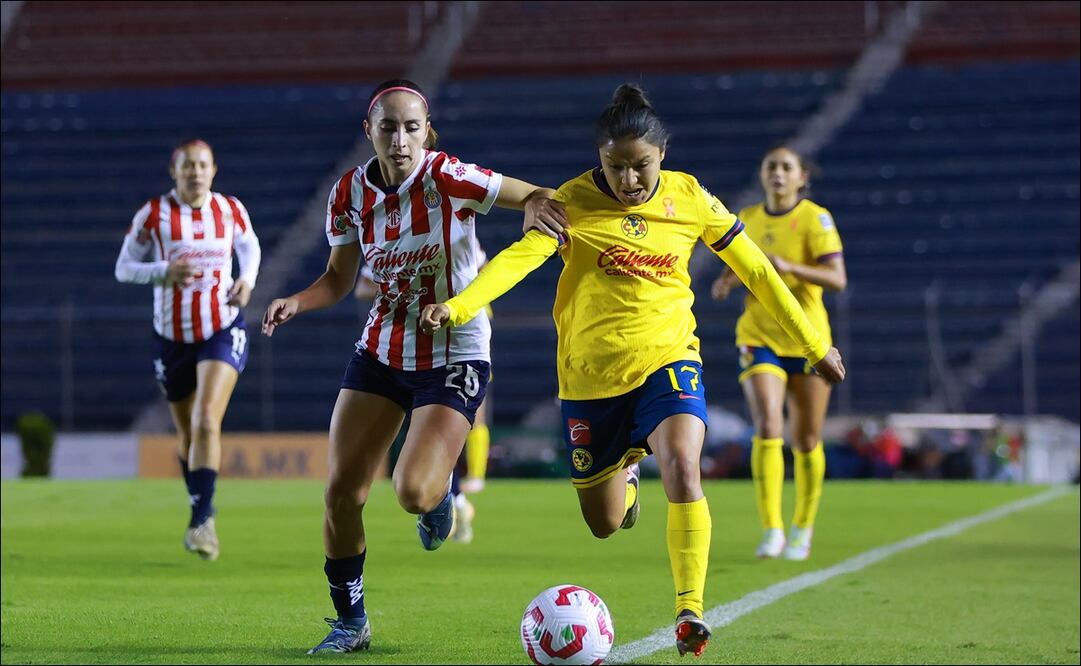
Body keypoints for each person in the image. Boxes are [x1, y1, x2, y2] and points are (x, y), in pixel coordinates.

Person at [421, 84, 846, 658]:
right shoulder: (570, 202)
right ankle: (625, 472)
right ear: (599, 158)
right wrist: (458, 307)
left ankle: (690, 609)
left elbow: (758, 272)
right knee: (603, 523)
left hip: (669, 360)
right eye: (615, 166)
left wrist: (814, 344)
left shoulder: (690, 197)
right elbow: (516, 262)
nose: (628, 180)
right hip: (589, 380)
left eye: (640, 165)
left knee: (684, 467)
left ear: (661, 154)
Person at [260, 79, 566, 655]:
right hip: (382, 350)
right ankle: (350, 623)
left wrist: (535, 210)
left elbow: (536, 195)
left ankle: (440, 491)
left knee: (413, 494)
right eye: (388, 128)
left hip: (455, 349)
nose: (400, 140)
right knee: (341, 492)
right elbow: (338, 279)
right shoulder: (348, 193)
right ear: (369, 132)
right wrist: (297, 301)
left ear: (428, 132)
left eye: (410, 128)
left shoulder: (448, 176)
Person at [114, 139, 261, 562]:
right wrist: (162, 271)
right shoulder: (153, 214)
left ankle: (202, 521)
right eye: (188, 166)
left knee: (206, 419)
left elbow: (249, 247)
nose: (195, 172)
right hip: (172, 337)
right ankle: (200, 508)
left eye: (202, 165)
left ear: (213, 170)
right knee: (187, 433)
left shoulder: (229, 209)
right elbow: (124, 268)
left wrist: (246, 281)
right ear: (174, 172)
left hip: (221, 328)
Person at [710, 145, 847, 561]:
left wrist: (789, 267)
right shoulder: (748, 218)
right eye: (771, 166)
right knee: (768, 424)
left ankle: (802, 527)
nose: (778, 173)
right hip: (759, 336)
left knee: (805, 439)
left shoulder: (815, 218)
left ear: (802, 177)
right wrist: (727, 282)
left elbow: (837, 278)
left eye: (787, 167)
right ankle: (772, 529)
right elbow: (741, 265)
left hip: (807, 338)